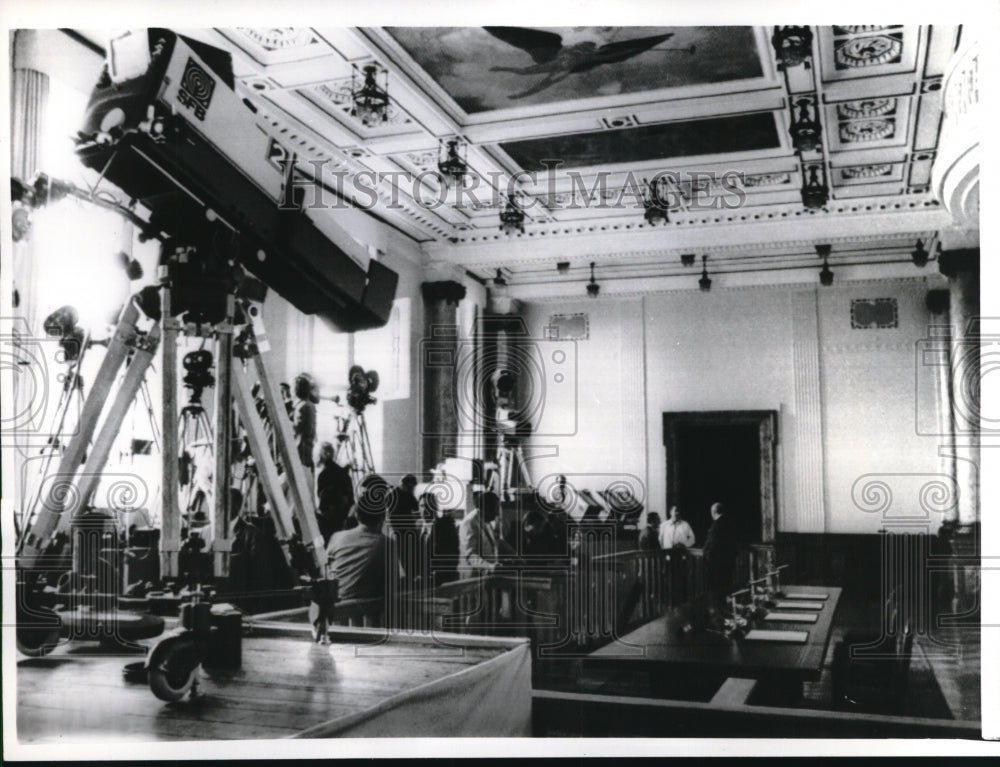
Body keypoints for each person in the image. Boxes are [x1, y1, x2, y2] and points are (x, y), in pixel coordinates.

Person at [324, 475, 400, 602]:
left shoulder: (337, 536)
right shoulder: (387, 542)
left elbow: (326, 571)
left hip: (336, 606)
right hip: (365, 608)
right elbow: (394, 584)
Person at [458, 491, 514, 578]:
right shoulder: (469, 523)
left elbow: (497, 541)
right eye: (495, 509)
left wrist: (514, 555)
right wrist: (490, 567)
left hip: (485, 577)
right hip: (472, 579)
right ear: (485, 508)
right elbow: (470, 555)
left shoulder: (486, 521)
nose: (497, 514)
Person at [315, 442, 354, 543]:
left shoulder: (323, 475)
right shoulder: (343, 474)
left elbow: (321, 497)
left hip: (328, 519)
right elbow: (350, 499)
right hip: (342, 518)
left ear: (320, 455)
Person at [422, 493, 459, 587]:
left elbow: (453, 555)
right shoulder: (419, 530)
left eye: (428, 506)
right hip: (423, 583)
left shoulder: (446, 526)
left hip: (443, 582)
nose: (424, 509)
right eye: (422, 506)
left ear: (435, 507)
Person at [703, 501, 739, 595]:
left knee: (718, 590)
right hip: (728, 562)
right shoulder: (729, 522)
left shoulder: (717, 525)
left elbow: (713, 545)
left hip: (717, 564)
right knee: (726, 586)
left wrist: (706, 556)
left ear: (713, 512)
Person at [292, 373, 318, 471]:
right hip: (307, 448)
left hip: (300, 448)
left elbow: (297, 428)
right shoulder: (310, 405)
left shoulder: (301, 407)